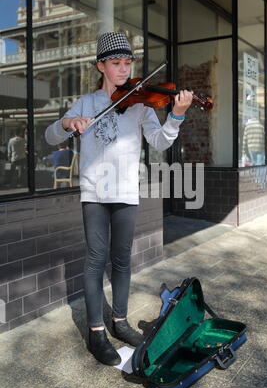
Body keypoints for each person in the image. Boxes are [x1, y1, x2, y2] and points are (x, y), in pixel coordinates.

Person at [45, 32, 193, 366]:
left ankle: (120, 321)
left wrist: (177, 115)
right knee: (96, 259)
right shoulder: (86, 103)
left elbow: (160, 142)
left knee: (123, 260)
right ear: (101, 66)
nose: (124, 70)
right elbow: (51, 134)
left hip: (126, 190)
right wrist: (68, 122)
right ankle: (97, 332)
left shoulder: (140, 103)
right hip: (96, 192)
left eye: (127, 63)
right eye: (116, 63)